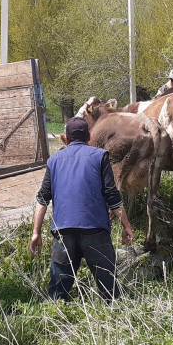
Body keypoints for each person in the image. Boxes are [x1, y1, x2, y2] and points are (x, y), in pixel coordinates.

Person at [30, 117, 135, 302]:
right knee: (109, 292)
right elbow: (112, 195)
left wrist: (35, 233)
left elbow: (42, 198)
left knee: (57, 294)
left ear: (67, 139)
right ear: (88, 136)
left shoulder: (53, 161)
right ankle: (113, 319)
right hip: (95, 230)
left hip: (63, 233)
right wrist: (126, 225)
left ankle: (55, 321)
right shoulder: (100, 156)